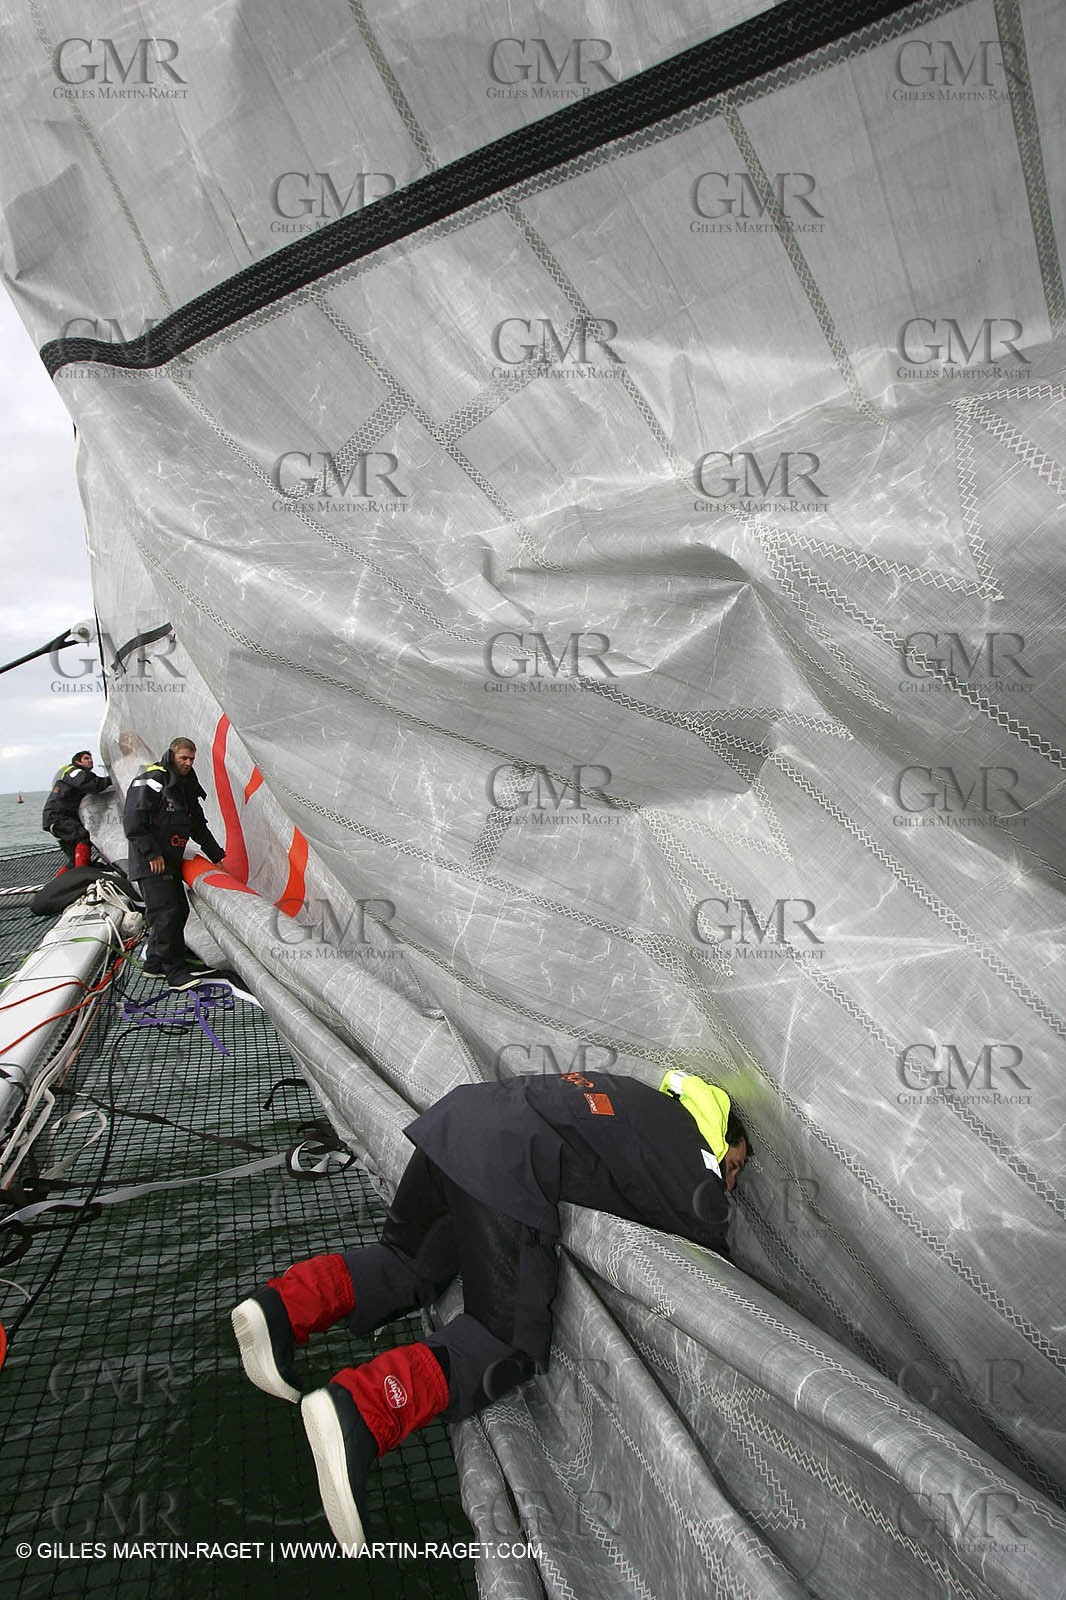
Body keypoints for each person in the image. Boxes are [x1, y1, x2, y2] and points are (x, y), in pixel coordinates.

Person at [231, 1068, 749, 1553]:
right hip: (510, 1165)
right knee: (503, 1341)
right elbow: (710, 1260)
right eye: (737, 1165)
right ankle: (361, 1412)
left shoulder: (637, 1096)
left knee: (406, 1263)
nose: (733, 1180)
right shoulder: (695, 1155)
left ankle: (280, 1309)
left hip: (460, 1122)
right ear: (722, 1141)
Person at [122, 736, 226, 990]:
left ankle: (155, 964)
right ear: (172, 754)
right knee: (166, 914)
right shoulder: (154, 778)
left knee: (179, 910)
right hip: (152, 862)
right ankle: (175, 973)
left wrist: (217, 857)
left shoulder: (184, 785)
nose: (188, 763)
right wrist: (151, 854)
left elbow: (197, 826)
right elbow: (133, 820)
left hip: (170, 860)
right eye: (183, 758)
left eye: (192, 759)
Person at [41, 750, 112, 869]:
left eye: (91, 758)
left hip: (52, 819)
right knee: (83, 836)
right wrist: (113, 779)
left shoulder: (78, 774)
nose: (90, 760)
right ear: (77, 762)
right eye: (86, 758)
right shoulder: (75, 772)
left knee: (75, 860)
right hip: (58, 818)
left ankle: (59, 885)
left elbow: (93, 783)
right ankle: (82, 874)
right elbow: (92, 785)